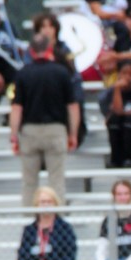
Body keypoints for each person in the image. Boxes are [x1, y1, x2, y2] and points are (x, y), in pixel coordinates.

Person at [9, 32, 80, 207]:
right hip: (56, 129)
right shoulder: (62, 72)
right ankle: (57, 219)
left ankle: (29, 218)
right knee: (56, 180)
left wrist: (14, 136)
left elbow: (17, 108)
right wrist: (73, 133)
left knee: (29, 182)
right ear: (49, 49)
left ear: (31, 51)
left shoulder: (23, 73)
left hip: (30, 130)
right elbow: (72, 106)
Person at [31, 12, 87, 146]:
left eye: (50, 26)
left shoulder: (65, 50)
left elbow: (74, 78)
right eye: (43, 27)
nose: (47, 30)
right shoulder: (31, 51)